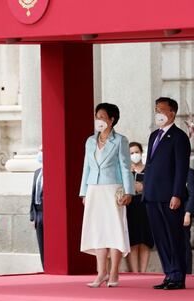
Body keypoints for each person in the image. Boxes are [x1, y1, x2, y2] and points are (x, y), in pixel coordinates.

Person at [79, 103, 134, 288]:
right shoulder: (90, 141)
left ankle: (114, 272)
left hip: (113, 189)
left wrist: (128, 191)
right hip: (94, 189)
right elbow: (86, 167)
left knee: (114, 229)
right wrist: (84, 192)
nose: (99, 120)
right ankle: (101, 272)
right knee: (98, 230)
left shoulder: (120, 140)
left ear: (112, 120)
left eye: (102, 117)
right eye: (97, 116)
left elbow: (126, 167)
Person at [143, 97, 191, 290]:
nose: (158, 113)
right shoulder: (154, 135)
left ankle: (178, 276)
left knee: (174, 236)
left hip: (170, 196)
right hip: (152, 194)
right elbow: (150, 164)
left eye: (162, 110)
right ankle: (168, 274)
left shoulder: (179, 137)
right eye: (156, 109)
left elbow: (182, 168)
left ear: (172, 113)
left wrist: (177, 194)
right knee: (160, 238)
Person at [126, 142, 154, 273]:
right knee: (133, 240)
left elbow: (156, 186)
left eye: (136, 152)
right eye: (131, 153)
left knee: (145, 241)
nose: (134, 155)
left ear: (141, 153)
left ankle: (143, 271)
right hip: (131, 208)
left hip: (146, 207)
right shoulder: (126, 171)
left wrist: (144, 188)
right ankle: (134, 271)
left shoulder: (149, 169)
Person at [30, 145, 45, 269]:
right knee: (41, 244)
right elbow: (33, 194)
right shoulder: (37, 172)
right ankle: (44, 267)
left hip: (48, 212)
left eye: (42, 151)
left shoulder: (53, 172)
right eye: (39, 150)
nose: (40, 153)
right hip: (38, 213)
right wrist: (32, 216)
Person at [184, 168, 194, 274]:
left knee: (185, 243)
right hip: (170, 212)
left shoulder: (188, 172)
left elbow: (192, 194)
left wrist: (188, 213)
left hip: (184, 213)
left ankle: (187, 271)